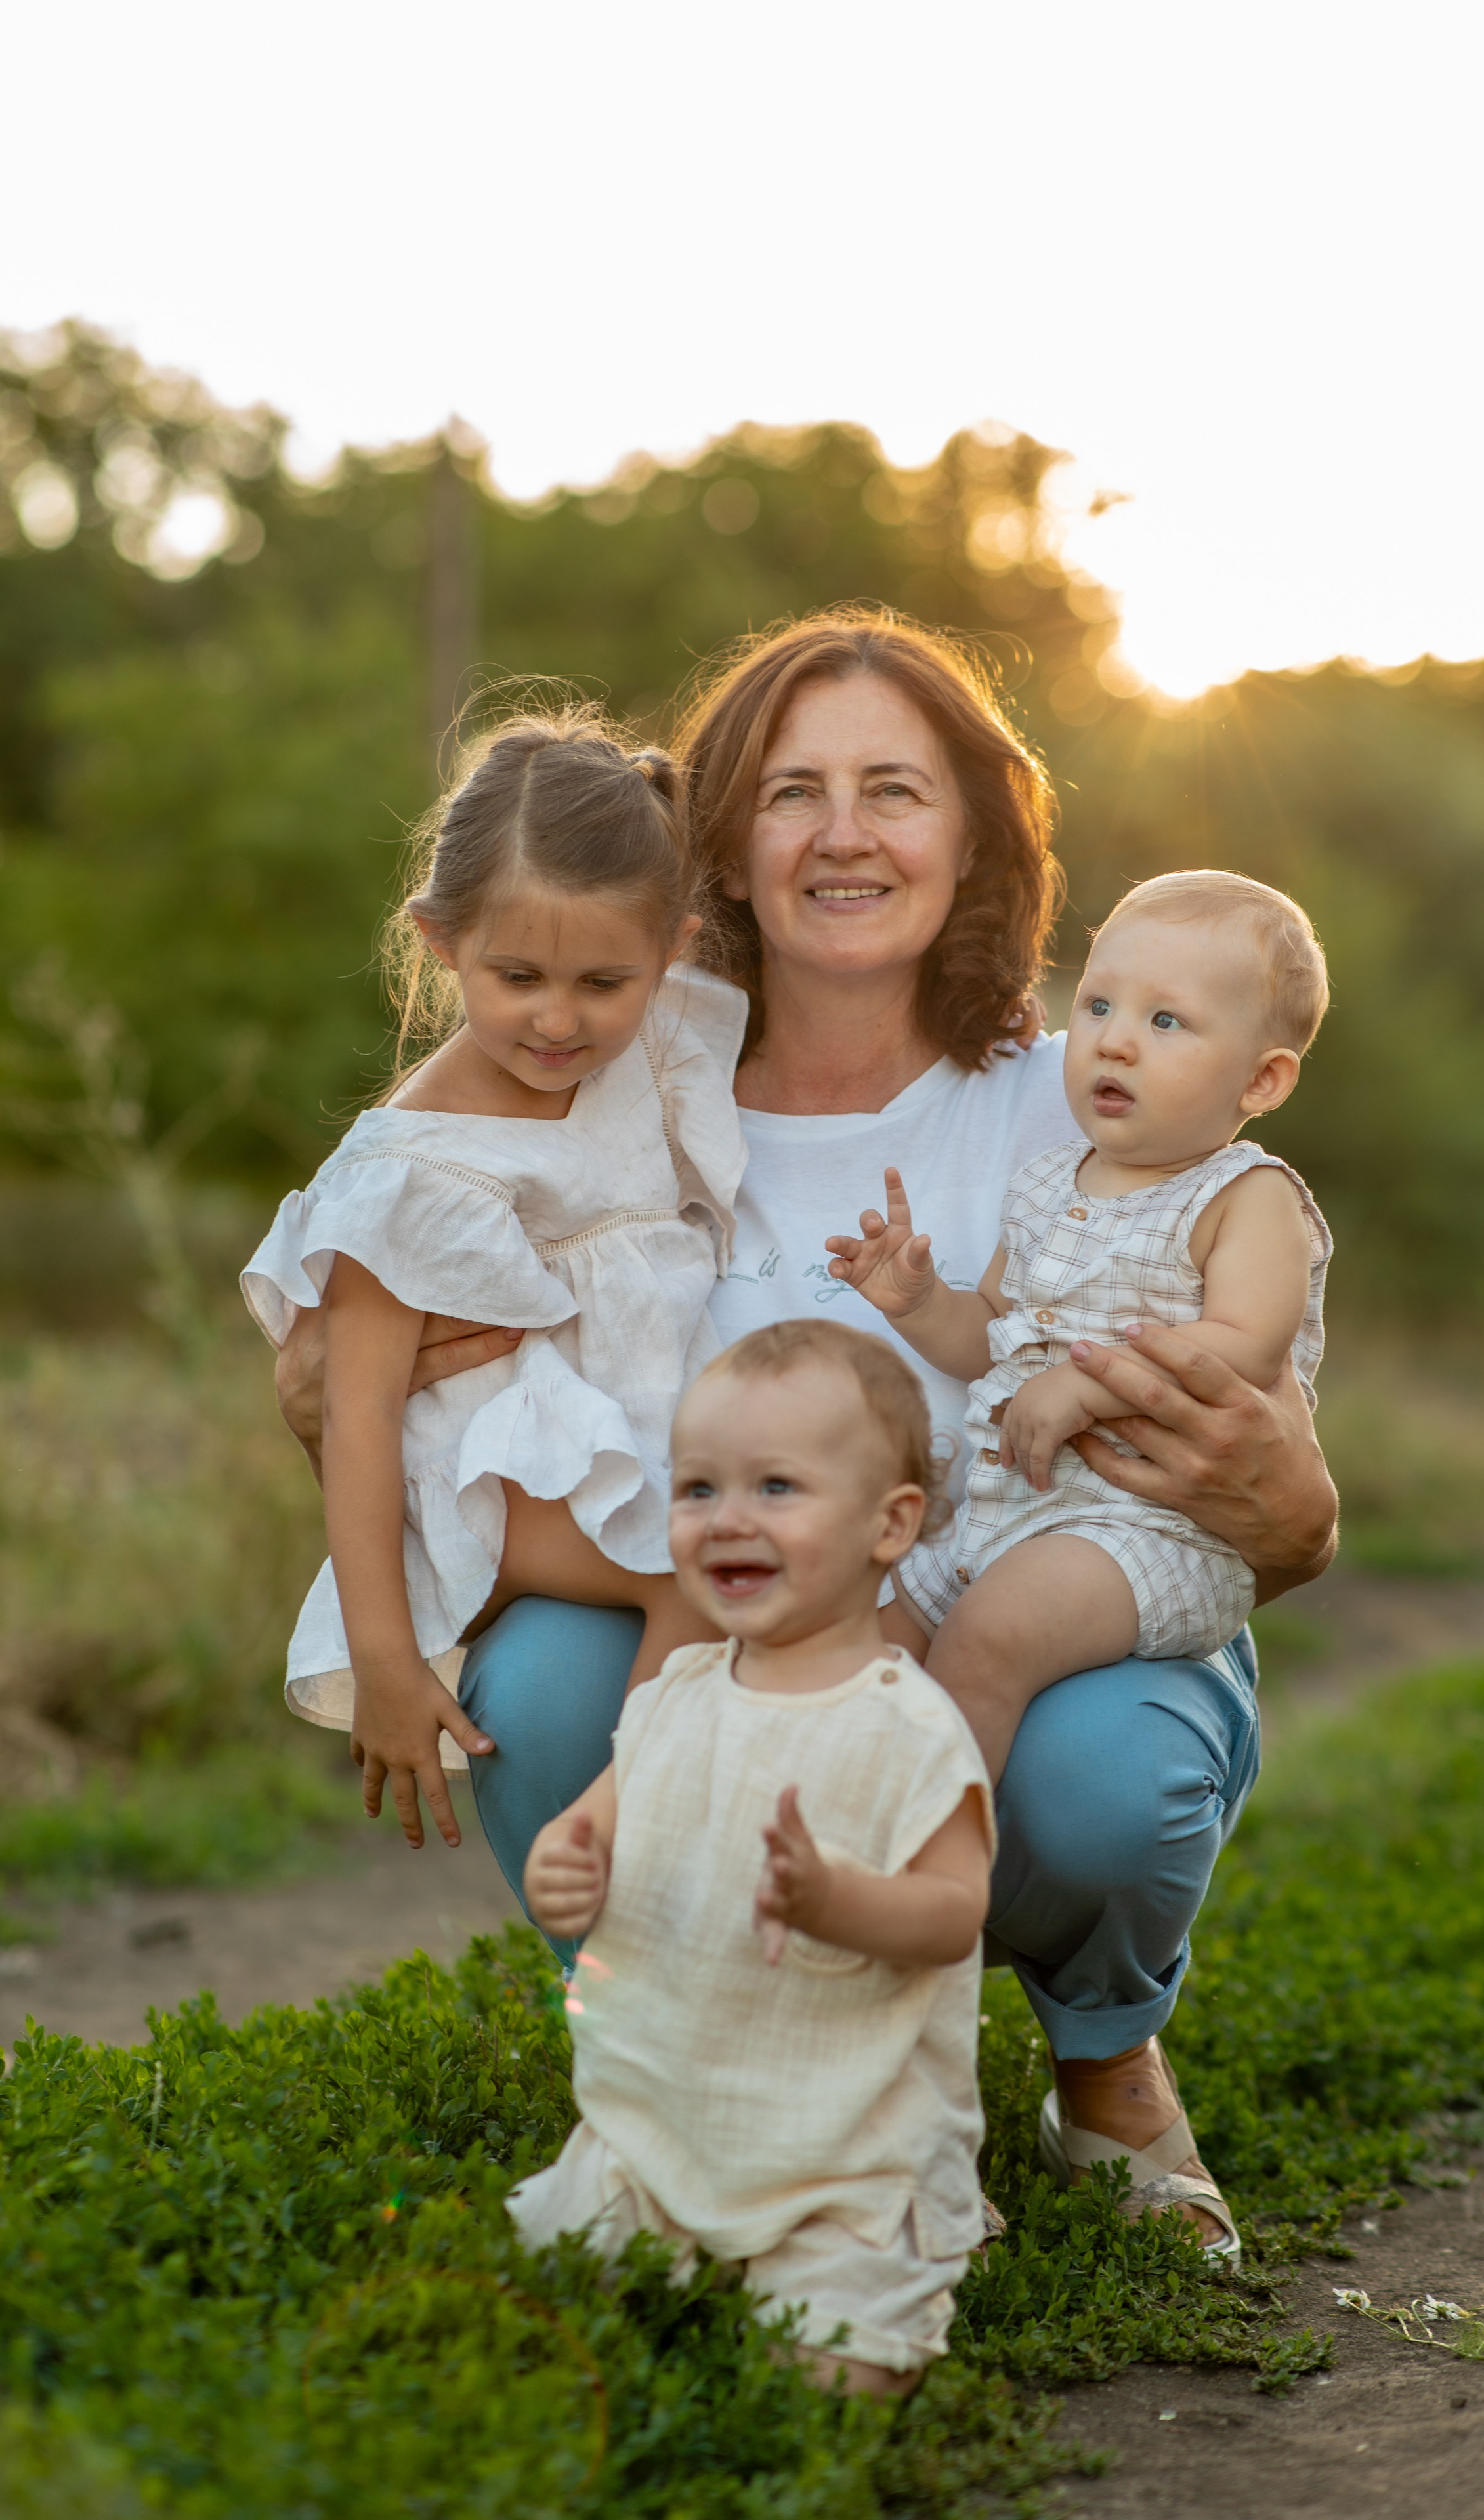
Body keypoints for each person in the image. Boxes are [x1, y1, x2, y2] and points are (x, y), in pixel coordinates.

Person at [275, 612, 1339, 2257]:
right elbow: (420, 1191)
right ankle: (665, 2047)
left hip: (1014, 1589)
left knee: (1104, 1779)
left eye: (894, 790)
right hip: (733, 1608)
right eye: (792, 793)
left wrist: (1296, 1507)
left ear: (972, 830)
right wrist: (336, 1344)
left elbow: (1274, 1451)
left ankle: (1104, 2060)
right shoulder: (626, 1057)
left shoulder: (1090, 1087)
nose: (844, 834)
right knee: (554, 1679)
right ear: (718, 843)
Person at [244, 712, 746, 1849]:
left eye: (603, 982)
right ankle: (632, 1836)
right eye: (516, 976)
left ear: (671, 954)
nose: (558, 1019)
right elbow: (360, 1412)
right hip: (488, 1478)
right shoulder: (414, 1169)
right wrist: (383, 1660)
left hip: (621, 1443)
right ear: (438, 941)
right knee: (704, 1573)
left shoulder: (653, 1051)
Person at [507, 1320, 994, 2397]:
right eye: (698, 1489)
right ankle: (665, 2220)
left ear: (891, 1523)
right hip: (660, 2118)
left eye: (778, 1488)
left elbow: (956, 1913)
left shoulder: (908, 1726)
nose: (728, 1519)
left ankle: (856, 2273)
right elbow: (592, 1823)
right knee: (546, 2299)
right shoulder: (678, 1692)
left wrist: (837, 1900)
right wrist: (563, 1866)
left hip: (848, 2146)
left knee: (827, 2380)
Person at [830, 870, 1332, 1799]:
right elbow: (994, 1338)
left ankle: (927, 1876)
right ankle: (828, 1860)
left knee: (988, 1640)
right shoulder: (1049, 1180)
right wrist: (918, 1301)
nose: (1115, 1041)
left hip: (1148, 1531)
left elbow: (1249, 1347)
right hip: (1001, 1510)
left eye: (1166, 1022)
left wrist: (1092, 1384)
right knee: (874, 1638)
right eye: (1099, 1004)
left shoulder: (1245, 1197)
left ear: (1262, 1078)